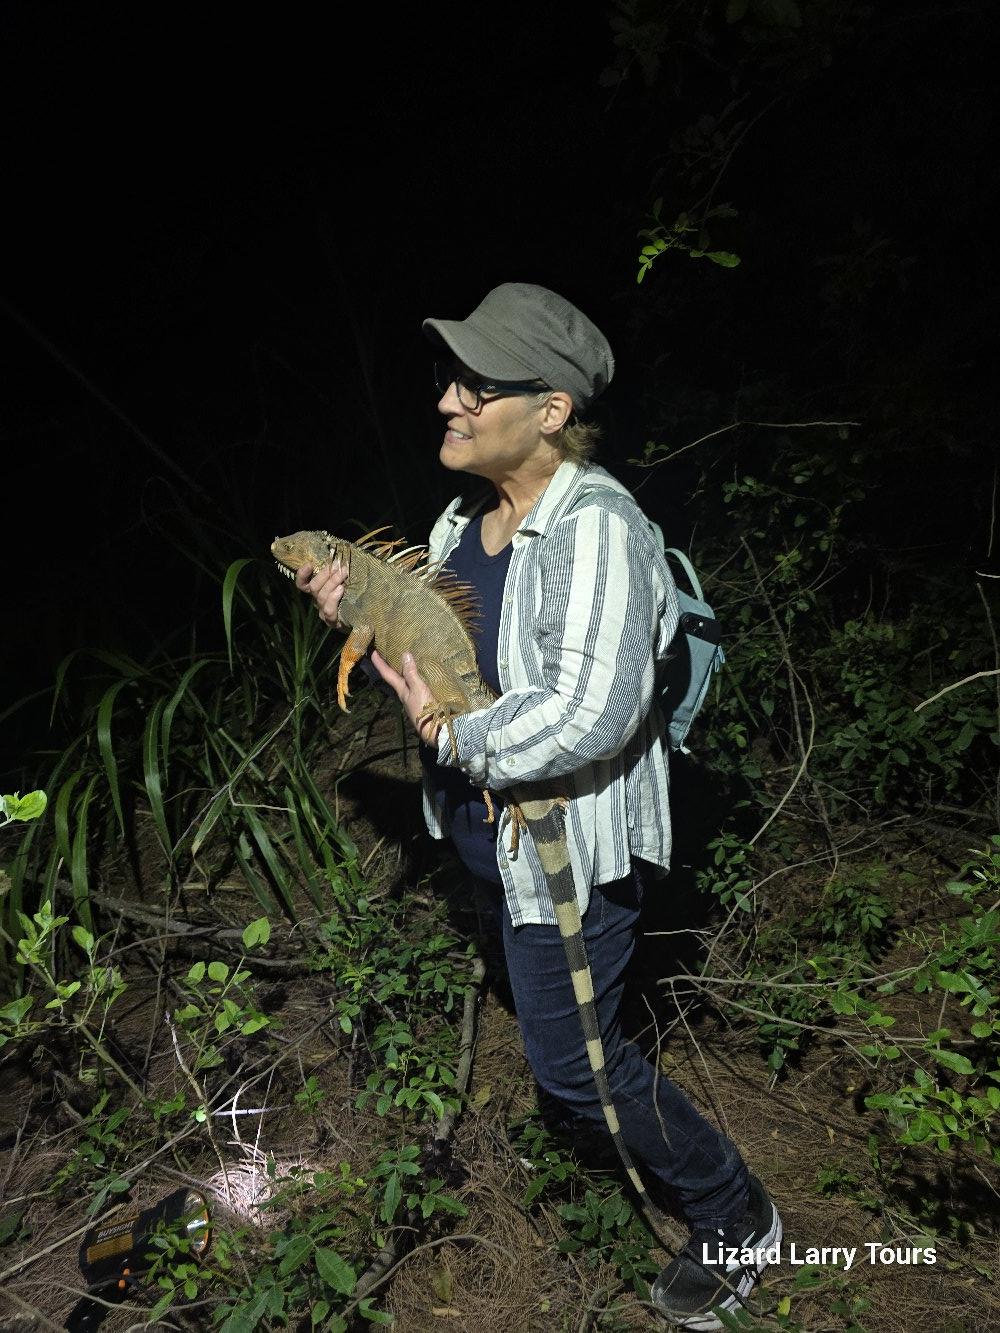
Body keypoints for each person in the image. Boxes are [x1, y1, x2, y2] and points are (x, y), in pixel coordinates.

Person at [297, 282, 781, 1329]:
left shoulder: (600, 530)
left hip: (568, 843)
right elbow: (432, 657)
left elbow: (587, 716)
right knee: (561, 1029)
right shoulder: (462, 520)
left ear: (550, 410)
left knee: (576, 1070)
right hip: (491, 841)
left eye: (477, 385)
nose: (447, 403)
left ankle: (733, 1209)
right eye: (448, 381)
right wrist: (359, 611)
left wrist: (451, 738)